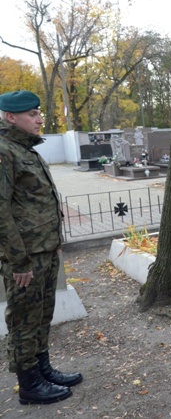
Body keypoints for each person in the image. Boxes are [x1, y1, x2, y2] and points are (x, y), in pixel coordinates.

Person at [0, 90, 83, 405]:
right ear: (11, 117)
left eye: (38, 113)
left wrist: (55, 244)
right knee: (24, 319)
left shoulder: (25, 149)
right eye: (32, 114)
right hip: (25, 258)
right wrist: (18, 261)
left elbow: (37, 203)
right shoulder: (5, 152)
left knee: (42, 314)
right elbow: (1, 211)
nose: (39, 119)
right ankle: (29, 384)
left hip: (44, 251)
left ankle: (42, 369)